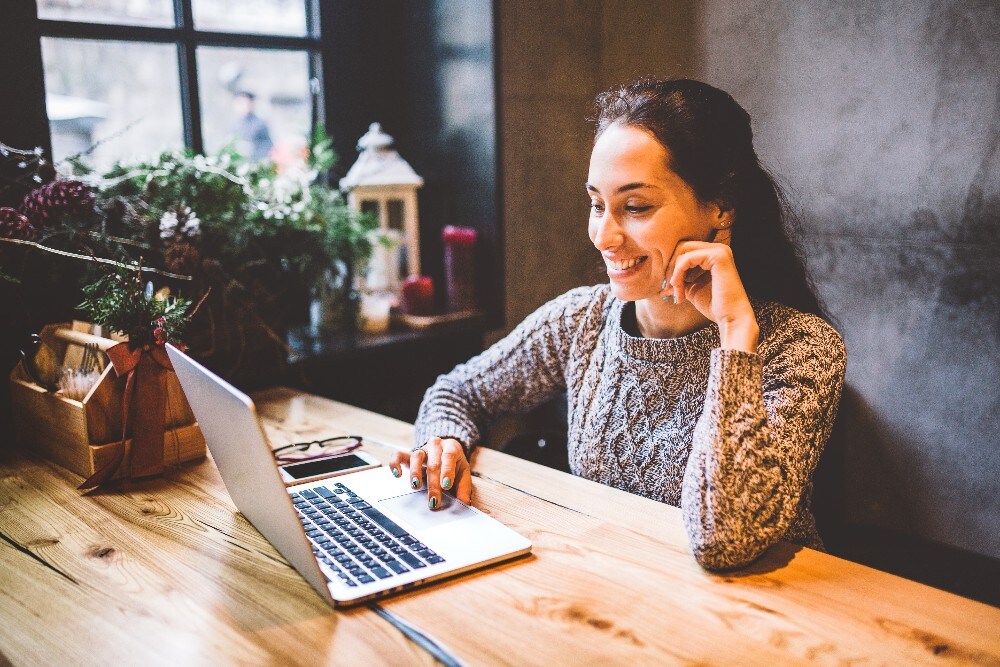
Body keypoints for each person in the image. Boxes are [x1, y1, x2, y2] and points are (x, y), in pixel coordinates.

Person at [390, 78, 847, 571]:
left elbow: (725, 538)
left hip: (770, 620)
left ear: (721, 207)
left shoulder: (802, 347)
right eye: (596, 204)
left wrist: (736, 334)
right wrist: (444, 443)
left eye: (635, 207)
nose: (604, 236)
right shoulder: (582, 320)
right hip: (619, 597)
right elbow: (458, 391)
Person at [231, 90, 273, 163]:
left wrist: (252, 149)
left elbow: (267, 146)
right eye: (241, 103)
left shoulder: (260, 124)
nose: (244, 106)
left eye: (247, 103)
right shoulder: (233, 125)